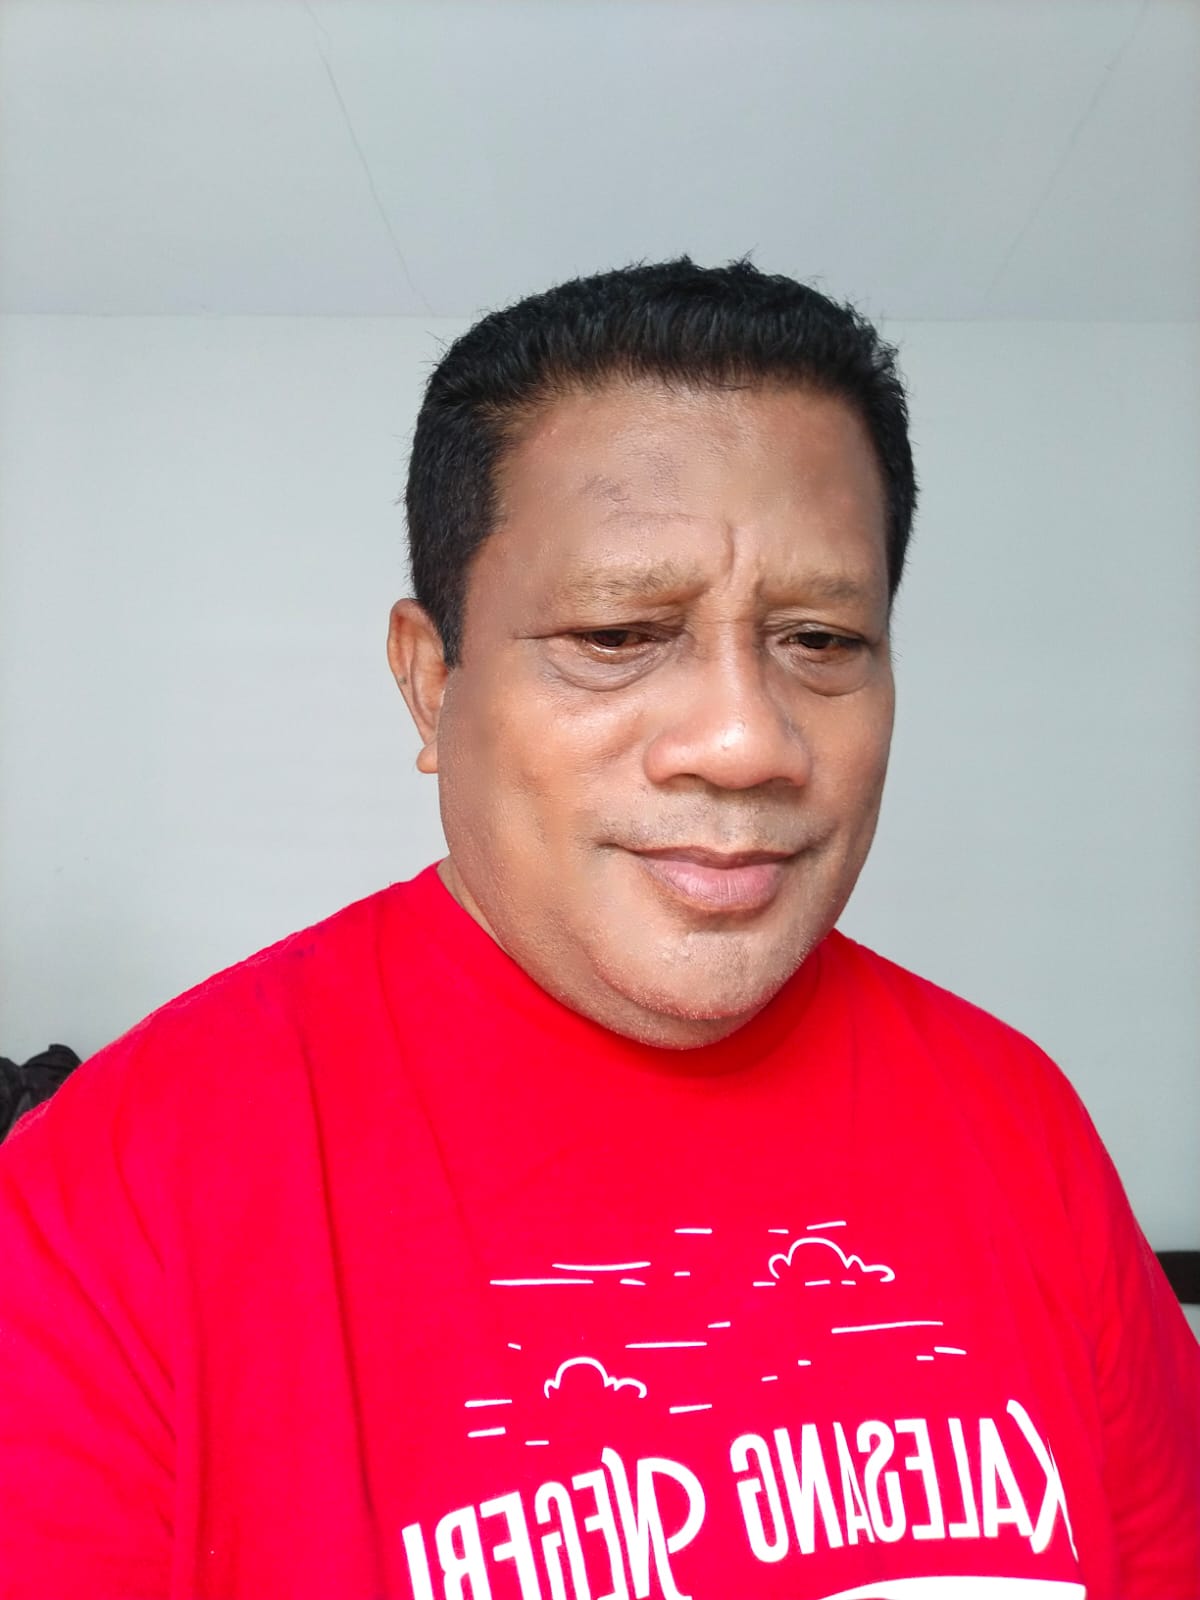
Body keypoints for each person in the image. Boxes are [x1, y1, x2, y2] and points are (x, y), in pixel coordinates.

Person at [0, 259, 1196, 1600]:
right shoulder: (116, 1199)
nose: (745, 742)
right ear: (430, 682)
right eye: (621, 633)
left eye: (821, 639)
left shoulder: (1022, 1129)